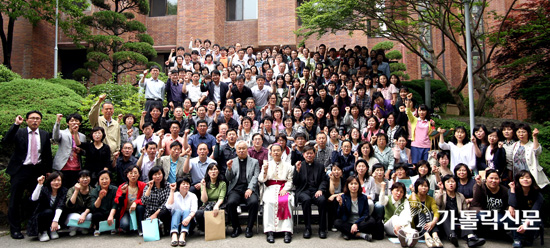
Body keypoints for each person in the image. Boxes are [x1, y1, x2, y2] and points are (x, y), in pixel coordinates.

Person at [3, 111, 53, 239]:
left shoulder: (44, 134)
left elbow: (47, 154)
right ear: (26, 120)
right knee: (15, 200)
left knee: (36, 200)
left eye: (38, 118)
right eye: (32, 118)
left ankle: (35, 227)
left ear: (41, 121)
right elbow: (6, 140)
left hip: (37, 170)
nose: (35, 121)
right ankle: (15, 229)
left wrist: (48, 171)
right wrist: (15, 125)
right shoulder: (19, 132)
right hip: (20, 170)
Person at [435, 174, 486, 248]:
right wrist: (441, 190)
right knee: (445, 213)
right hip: (445, 220)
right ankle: (452, 236)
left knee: (464, 214)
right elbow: (437, 204)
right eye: (448, 182)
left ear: (456, 183)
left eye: (453, 182)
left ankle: (471, 238)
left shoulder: (460, 196)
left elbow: (465, 210)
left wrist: (469, 219)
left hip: (457, 218)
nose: (451, 184)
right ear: (443, 184)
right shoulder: (439, 193)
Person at [258, 143, 294, 243]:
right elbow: (261, 180)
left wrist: (285, 189)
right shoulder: (266, 164)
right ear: (271, 152)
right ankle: (270, 231)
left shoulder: (288, 166)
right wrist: (264, 171)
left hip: (283, 188)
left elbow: (290, 180)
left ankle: (287, 231)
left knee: (286, 200)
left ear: (282, 152)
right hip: (270, 188)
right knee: (269, 202)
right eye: (274, 151)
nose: (276, 152)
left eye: (278, 150)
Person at [225, 141, 260, 238]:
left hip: (249, 188)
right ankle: (236, 227)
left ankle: (249, 227)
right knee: (231, 203)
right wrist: (229, 169)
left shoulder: (254, 162)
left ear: (247, 149)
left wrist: (250, 188)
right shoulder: (232, 161)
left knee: (253, 202)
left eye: (243, 148)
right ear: (236, 150)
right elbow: (228, 178)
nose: (241, 150)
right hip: (236, 189)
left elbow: (255, 176)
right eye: (239, 149)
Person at [294, 145, 328, 239]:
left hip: (316, 190)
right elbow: (295, 182)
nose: (309, 155)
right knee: (306, 200)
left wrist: (320, 190)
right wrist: (297, 171)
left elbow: (324, 180)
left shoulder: (320, 166)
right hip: (303, 191)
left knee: (322, 200)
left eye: (311, 153)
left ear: (314, 154)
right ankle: (307, 228)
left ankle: (322, 229)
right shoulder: (300, 165)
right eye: (307, 153)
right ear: (303, 154)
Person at [334, 176, 382, 241]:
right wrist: (340, 204)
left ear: (359, 185)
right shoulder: (343, 197)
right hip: (348, 222)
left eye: (356, 184)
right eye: (351, 184)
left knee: (372, 221)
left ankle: (348, 233)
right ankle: (361, 234)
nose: (354, 186)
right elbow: (340, 215)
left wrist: (356, 224)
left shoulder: (364, 197)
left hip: (360, 223)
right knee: (337, 222)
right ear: (347, 186)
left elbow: (365, 214)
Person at [507, 170, 543, 248]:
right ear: (518, 180)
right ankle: (517, 239)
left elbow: (534, 211)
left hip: (531, 217)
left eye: (528, 178)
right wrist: (512, 190)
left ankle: (527, 239)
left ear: (532, 179)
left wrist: (525, 224)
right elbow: (512, 204)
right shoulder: (513, 190)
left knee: (535, 221)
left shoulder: (537, 194)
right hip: (518, 216)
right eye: (522, 178)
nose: (525, 180)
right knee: (510, 214)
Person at [28, 172, 67, 241]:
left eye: (59, 180)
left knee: (63, 211)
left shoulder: (63, 191)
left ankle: (53, 230)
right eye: (54, 180)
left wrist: (55, 221)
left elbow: (60, 205)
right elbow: (34, 198)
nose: (56, 182)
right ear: (49, 181)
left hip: (55, 215)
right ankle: (43, 232)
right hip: (42, 215)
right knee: (48, 212)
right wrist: (39, 184)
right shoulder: (45, 189)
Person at [52, 113, 86, 188]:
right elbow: (55, 138)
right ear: (68, 123)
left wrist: (80, 151)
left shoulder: (82, 136)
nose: (74, 122)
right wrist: (58, 122)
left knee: (74, 188)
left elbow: (85, 152)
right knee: (62, 187)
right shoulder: (62, 133)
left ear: (79, 123)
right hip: (63, 166)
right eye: (72, 121)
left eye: (76, 121)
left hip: (76, 167)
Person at [512, 123, 549, 188]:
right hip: (518, 176)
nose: (521, 134)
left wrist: (534, 137)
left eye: (523, 132)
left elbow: (537, 151)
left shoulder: (533, 145)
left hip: (529, 177)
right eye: (519, 132)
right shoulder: (515, 145)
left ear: (528, 133)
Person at [408, 178, 441, 248]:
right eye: (421, 186)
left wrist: (433, 222)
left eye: (426, 186)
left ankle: (435, 236)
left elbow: (436, 211)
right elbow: (414, 205)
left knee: (431, 214)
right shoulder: (412, 197)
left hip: (429, 223)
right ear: (417, 187)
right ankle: (427, 236)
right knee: (421, 213)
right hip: (417, 222)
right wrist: (413, 191)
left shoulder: (430, 199)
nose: (424, 188)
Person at [194, 163, 227, 231]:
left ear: (218, 171)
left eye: (215, 169)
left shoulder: (222, 183)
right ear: (208, 172)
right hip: (207, 204)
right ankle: (204, 229)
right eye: (211, 170)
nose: (213, 172)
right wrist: (204, 186)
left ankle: (218, 229)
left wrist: (216, 206)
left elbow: (221, 198)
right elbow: (204, 200)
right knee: (198, 213)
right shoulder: (204, 183)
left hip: (218, 204)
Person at [166, 177, 198, 247]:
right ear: (179, 186)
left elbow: (194, 210)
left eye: (187, 184)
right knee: (177, 211)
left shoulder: (193, 196)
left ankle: (183, 235)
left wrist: (188, 218)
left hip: (188, 221)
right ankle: (174, 235)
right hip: (175, 220)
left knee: (187, 210)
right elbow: (168, 206)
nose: (186, 185)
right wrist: (172, 191)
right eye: (183, 184)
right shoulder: (175, 195)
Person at [115, 165, 146, 235]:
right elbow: (117, 201)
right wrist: (123, 194)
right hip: (127, 211)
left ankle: (140, 228)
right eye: (131, 173)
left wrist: (135, 202)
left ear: (139, 175)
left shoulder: (143, 185)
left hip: (138, 210)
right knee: (125, 225)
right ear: (127, 175)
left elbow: (145, 198)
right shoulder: (122, 186)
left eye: (135, 173)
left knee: (140, 207)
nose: (133, 175)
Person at [141, 166, 172, 235]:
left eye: (159, 174)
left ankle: (165, 228)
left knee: (165, 212)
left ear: (163, 174)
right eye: (155, 175)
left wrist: (155, 215)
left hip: (161, 212)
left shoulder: (167, 186)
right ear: (151, 176)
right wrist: (149, 188)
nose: (157, 176)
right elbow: (144, 201)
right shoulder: (148, 186)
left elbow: (166, 203)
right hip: (150, 213)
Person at [405, 93, 433, 163]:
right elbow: (408, 111)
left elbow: (432, 134)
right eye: (420, 110)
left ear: (427, 112)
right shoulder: (414, 120)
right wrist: (408, 100)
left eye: (423, 110)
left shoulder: (429, 122)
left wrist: (433, 126)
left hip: (427, 146)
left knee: (425, 164)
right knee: (415, 164)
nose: (422, 112)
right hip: (415, 145)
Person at [64, 170, 94, 237]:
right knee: (76, 217)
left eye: (87, 177)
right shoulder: (72, 189)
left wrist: (84, 214)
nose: (85, 179)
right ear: (78, 179)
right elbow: (70, 204)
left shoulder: (92, 190)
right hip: (73, 214)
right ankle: (73, 228)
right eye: (83, 178)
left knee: (90, 216)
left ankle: (84, 227)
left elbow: (91, 206)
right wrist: (76, 191)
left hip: (85, 213)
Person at [90, 170, 118, 236]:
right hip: (101, 212)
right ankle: (97, 228)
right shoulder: (95, 191)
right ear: (99, 181)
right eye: (102, 179)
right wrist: (100, 198)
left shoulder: (114, 189)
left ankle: (113, 227)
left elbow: (115, 204)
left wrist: (111, 215)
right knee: (96, 215)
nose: (104, 181)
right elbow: (94, 207)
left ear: (110, 180)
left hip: (111, 212)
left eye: (106, 179)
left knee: (117, 213)